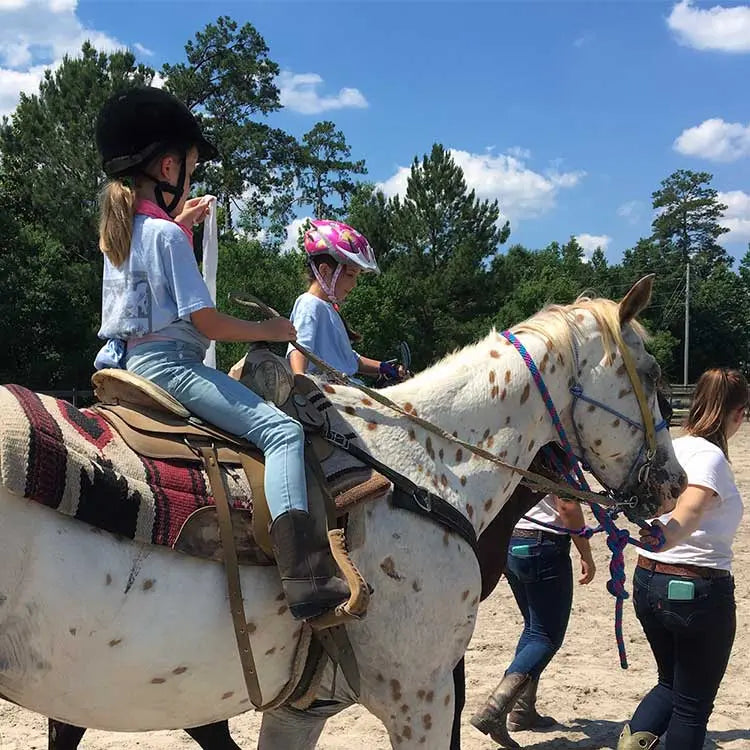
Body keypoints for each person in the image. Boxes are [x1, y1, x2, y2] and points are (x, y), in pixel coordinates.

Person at [93, 86, 350, 621]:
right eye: (189, 167)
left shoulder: (121, 235)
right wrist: (271, 326)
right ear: (168, 167)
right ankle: (302, 571)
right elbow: (206, 323)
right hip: (173, 368)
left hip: (128, 365)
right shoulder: (164, 236)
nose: (191, 178)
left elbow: (150, 287)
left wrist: (182, 223)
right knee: (283, 432)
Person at [619, 368, 747, 750]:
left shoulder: (672, 447)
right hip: (695, 589)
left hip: (647, 581)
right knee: (691, 708)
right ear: (738, 413)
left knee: (670, 683)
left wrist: (658, 538)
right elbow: (690, 509)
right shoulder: (710, 457)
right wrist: (668, 536)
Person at [470, 494, 597, 748]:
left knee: (533, 628)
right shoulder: (557, 455)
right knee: (547, 637)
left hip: (513, 540)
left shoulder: (520, 453)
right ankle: (495, 710)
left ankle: (522, 711)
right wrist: (586, 553)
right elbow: (567, 506)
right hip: (545, 546)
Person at [287, 219, 404, 382]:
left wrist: (384, 368)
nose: (354, 284)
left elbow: (350, 360)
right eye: (350, 275)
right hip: (329, 391)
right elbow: (300, 346)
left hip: (346, 388)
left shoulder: (327, 308)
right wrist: (300, 380)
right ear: (325, 271)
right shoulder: (309, 303)